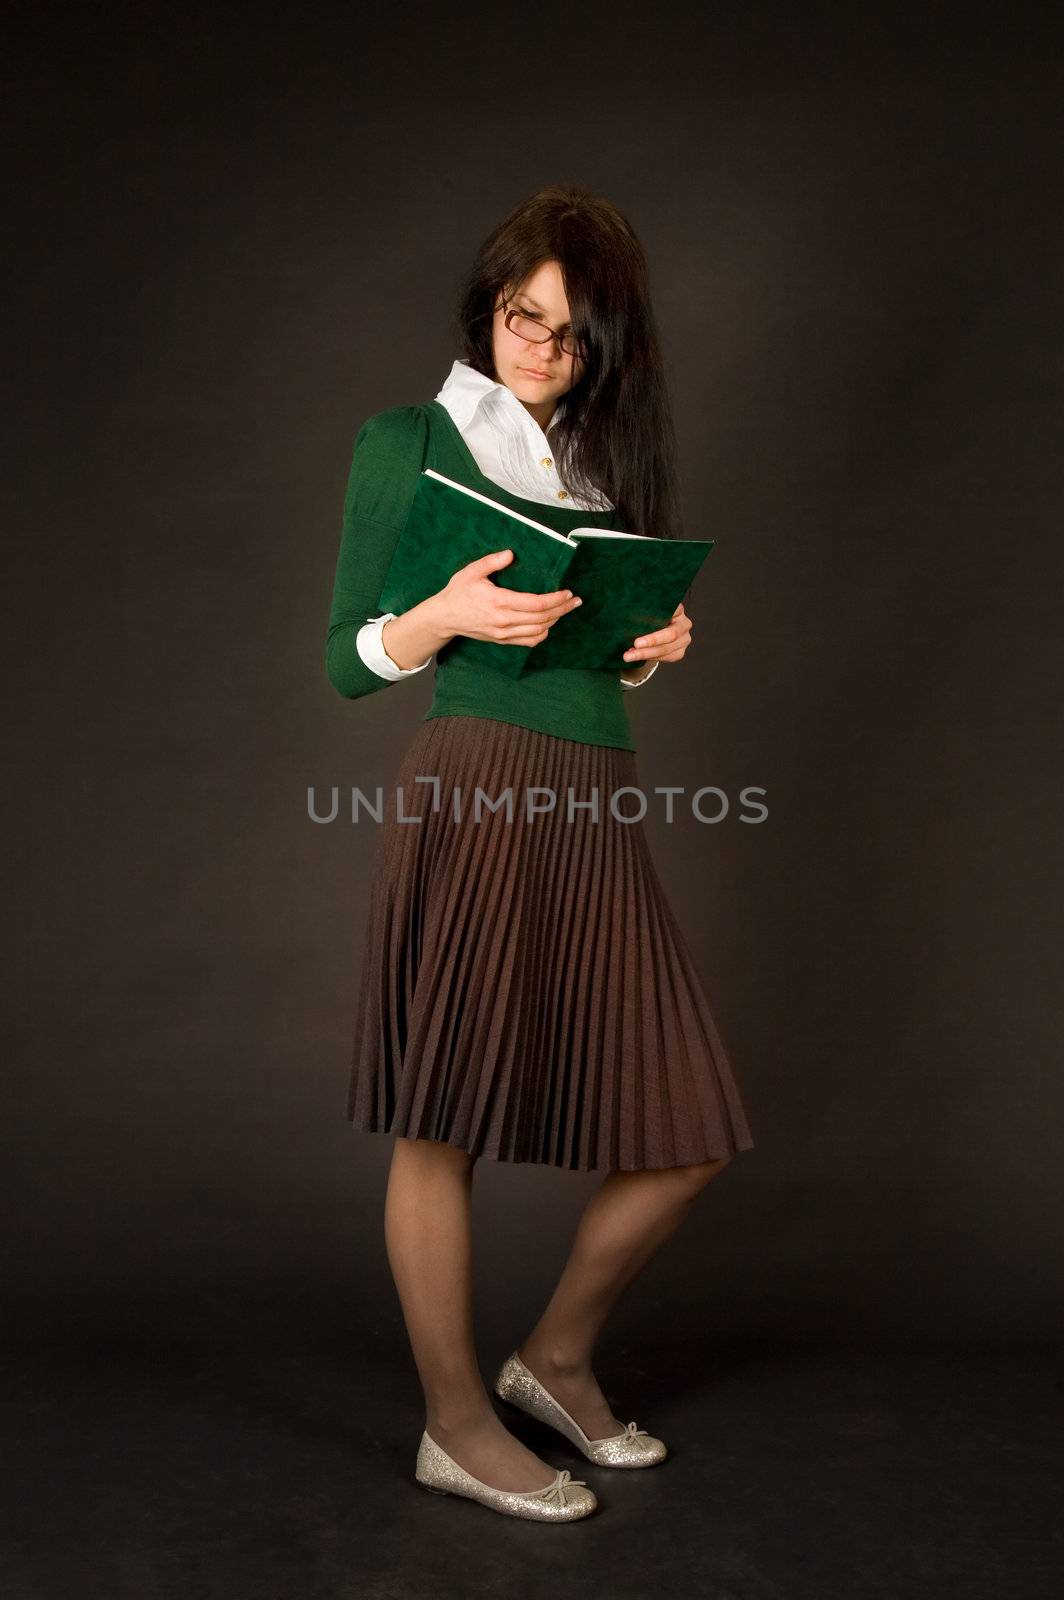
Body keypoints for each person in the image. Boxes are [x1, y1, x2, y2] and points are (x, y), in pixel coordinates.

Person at [324, 185, 755, 1522]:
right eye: (527, 320)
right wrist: (439, 615)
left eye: (574, 337)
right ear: (490, 313)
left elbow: (588, 646)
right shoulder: (408, 440)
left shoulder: (597, 471)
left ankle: (555, 1360)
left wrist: (655, 642)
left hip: (594, 801)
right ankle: (455, 1422)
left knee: (687, 1133)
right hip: (478, 784)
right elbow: (346, 660)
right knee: (441, 1120)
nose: (545, 352)